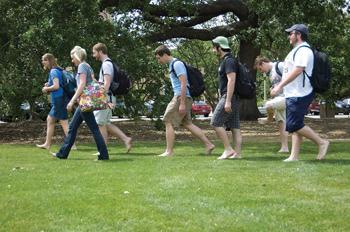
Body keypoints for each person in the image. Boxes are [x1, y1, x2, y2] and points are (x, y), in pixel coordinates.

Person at [271, 24, 329, 161]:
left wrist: (279, 86)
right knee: (296, 125)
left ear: (299, 35)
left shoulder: (304, 50)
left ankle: (322, 142)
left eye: (291, 34)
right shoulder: (297, 50)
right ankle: (294, 156)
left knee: (294, 124)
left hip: (300, 93)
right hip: (293, 93)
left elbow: (298, 70)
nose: (288, 36)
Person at [154, 45, 215, 157]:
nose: (158, 61)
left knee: (168, 121)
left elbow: (183, 83)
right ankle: (209, 144)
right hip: (183, 97)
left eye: (159, 58)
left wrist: (182, 102)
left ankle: (169, 151)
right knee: (187, 123)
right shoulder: (173, 65)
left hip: (180, 97)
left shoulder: (177, 64)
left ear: (165, 54)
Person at [52, 46, 109, 160]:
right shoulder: (87, 66)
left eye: (73, 58)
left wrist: (72, 101)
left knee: (92, 129)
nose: (72, 60)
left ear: (77, 56)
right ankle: (63, 153)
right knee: (73, 127)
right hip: (85, 102)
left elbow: (82, 84)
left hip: (84, 102)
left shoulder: (82, 66)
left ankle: (103, 155)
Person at [92, 43, 132, 153]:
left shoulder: (106, 64)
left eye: (94, 52)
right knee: (105, 123)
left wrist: (102, 98)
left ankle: (103, 149)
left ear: (100, 51)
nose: (93, 55)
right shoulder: (107, 64)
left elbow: (107, 83)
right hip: (108, 97)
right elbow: (105, 82)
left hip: (106, 97)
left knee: (100, 123)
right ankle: (126, 139)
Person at [210, 36, 242, 160]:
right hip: (233, 97)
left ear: (219, 47)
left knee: (215, 122)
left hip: (229, 96)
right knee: (235, 126)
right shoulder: (230, 60)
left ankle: (228, 149)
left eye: (214, 47)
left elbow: (231, 80)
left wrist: (227, 100)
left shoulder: (228, 61)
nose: (213, 50)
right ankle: (238, 154)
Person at [36, 53, 76, 151]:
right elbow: (58, 84)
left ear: (49, 61)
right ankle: (47, 144)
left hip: (59, 99)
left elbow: (56, 86)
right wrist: (49, 84)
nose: (42, 62)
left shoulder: (53, 71)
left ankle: (72, 145)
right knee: (50, 120)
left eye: (44, 60)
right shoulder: (58, 70)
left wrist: (46, 88)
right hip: (60, 99)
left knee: (64, 122)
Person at [254, 56, 289, 153]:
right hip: (279, 98)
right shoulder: (270, 74)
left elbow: (292, 76)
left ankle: (269, 119)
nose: (261, 72)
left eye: (260, 69)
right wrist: (273, 90)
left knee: (268, 105)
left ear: (263, 63)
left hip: (288, 96)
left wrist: (278, 88)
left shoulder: (280, 65)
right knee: (281, 123)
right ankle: (284, 148)